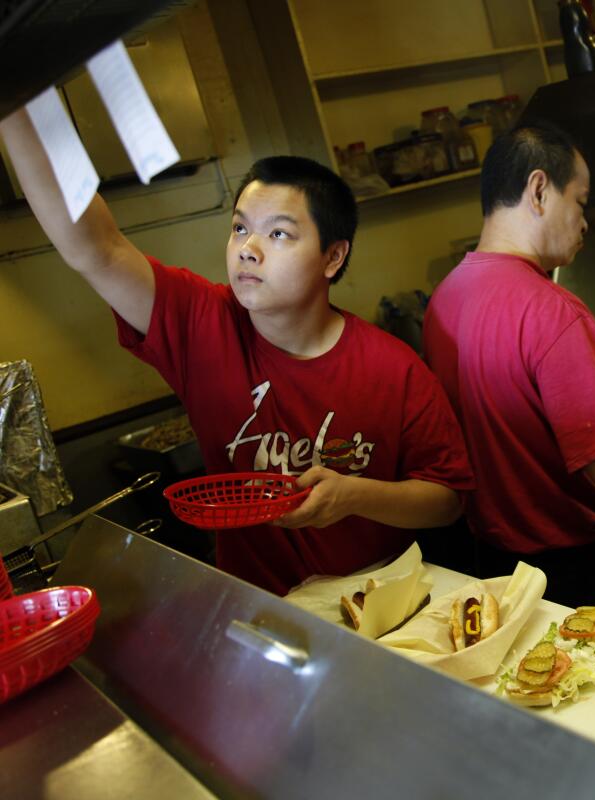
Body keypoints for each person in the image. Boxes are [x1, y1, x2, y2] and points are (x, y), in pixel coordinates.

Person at [0, 109, 474, 596]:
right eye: (239, 228)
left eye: (278, 234)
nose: (248, 249)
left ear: (333, 257)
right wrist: (16, 102)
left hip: (374, 607)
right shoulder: (203, 324)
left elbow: (447, 499)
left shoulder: (393, 368)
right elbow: (96, 247)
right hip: (255, 607)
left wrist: (355, 495)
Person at [423, 123, 595, 632]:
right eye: (579, 201)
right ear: (538, 190)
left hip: (497, 567)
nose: (584, 222)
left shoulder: (445, 299)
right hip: (584, 572)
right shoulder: (551, 310)